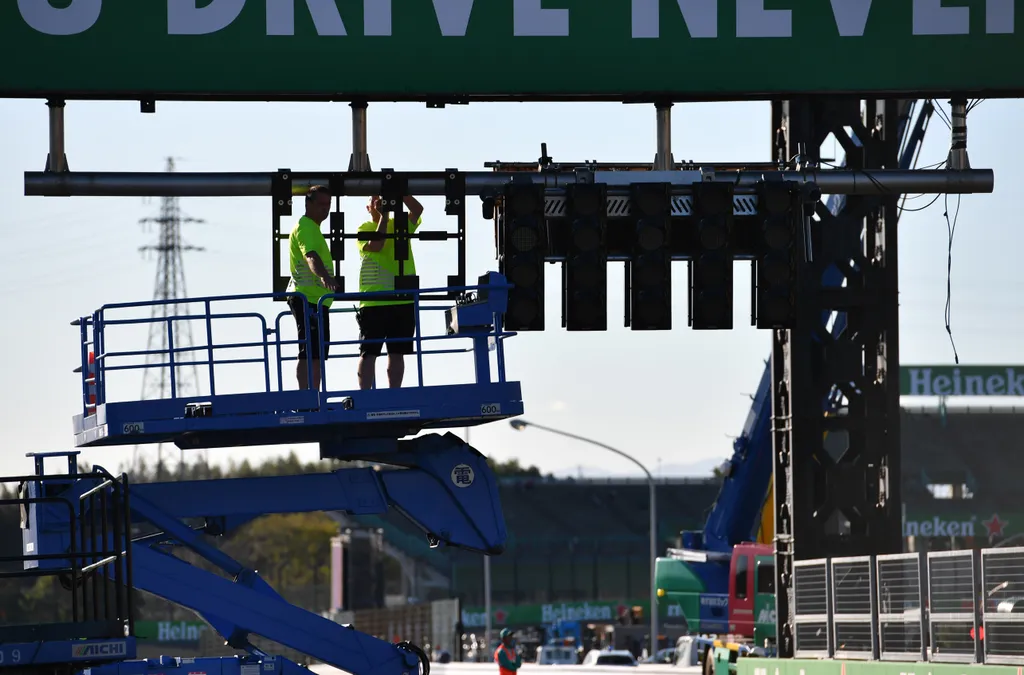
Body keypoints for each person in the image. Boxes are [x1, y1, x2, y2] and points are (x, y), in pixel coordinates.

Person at [356, 194, 424, 389]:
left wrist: (399, 191)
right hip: (373, 300)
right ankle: (365, 395)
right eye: (374, 200)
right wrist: (384, 217)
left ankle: (395, 393)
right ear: (368, 207)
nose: (378, 202)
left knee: (397, 352)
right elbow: (377, 245)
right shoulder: (364, 229)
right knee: (368, 352)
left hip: (402, 298)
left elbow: (418, 210)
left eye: (382, 199)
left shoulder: (400, 224)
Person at [287, 185, 342, 390]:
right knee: (309, 350)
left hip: (316, 300)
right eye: (321, 204)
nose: (325, 209)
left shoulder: (312, 228)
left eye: (328, 205)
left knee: (316, 352)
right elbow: (311, 256)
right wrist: (325, 277)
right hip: (307, 298)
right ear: (308, 204)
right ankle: (307, 398)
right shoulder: (306, 227)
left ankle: (314, 397)